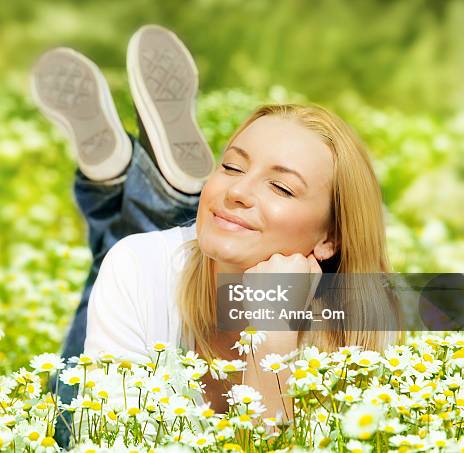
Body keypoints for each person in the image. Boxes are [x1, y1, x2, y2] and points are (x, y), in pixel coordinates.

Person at [31, 24, 401, 448]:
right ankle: (144, 191)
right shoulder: (138, 266)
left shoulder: (365, 331)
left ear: (329, 239)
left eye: (281, 187)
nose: (238, 191)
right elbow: (112, 440)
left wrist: (271, 336)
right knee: (72, 415)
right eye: (231, 167)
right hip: (149, 275)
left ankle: (124, 186)